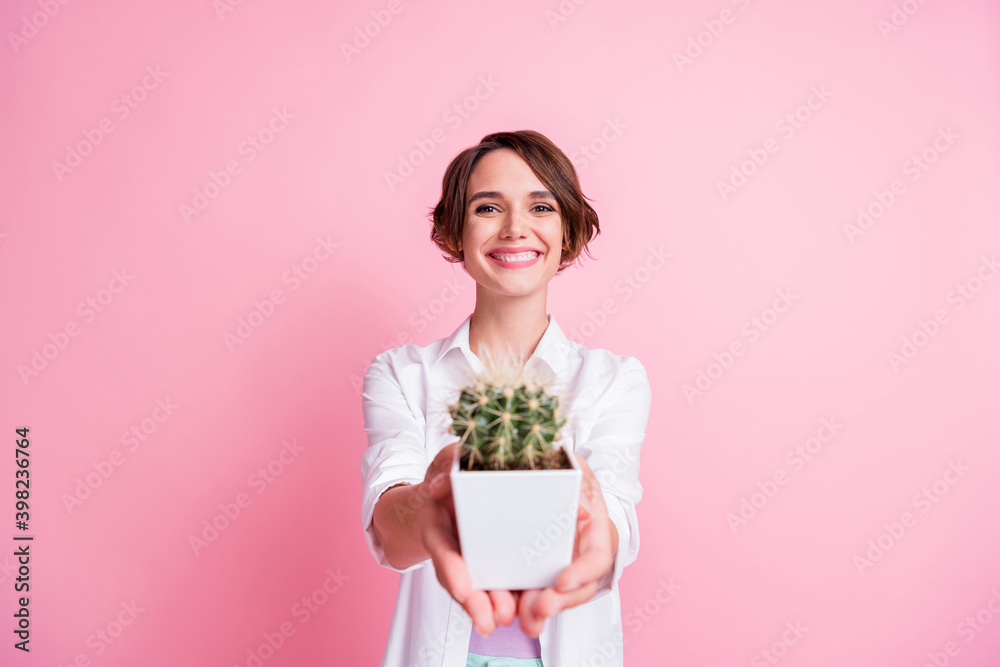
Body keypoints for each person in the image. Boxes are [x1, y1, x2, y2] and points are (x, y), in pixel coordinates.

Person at [361, 130, 652, 667]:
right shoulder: (404, 374)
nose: (516, 228)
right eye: (488, 207)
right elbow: (388, 530)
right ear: (455, 232)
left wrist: (595, 528)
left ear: (568, 231)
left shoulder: (614, 380)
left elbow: (614, 520)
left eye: (540, 205)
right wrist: (435, 495)